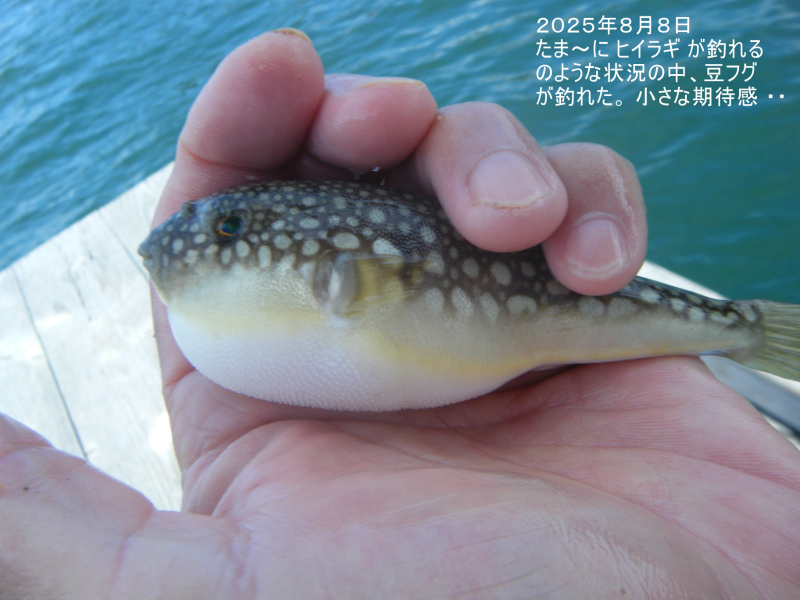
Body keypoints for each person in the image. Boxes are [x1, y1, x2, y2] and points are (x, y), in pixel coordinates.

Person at [1, 28, 798, 598]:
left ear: (336, 273)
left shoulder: (346, 281)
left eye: (230, 226)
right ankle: (748, 328)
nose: (177, 245)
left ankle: (750, 328)